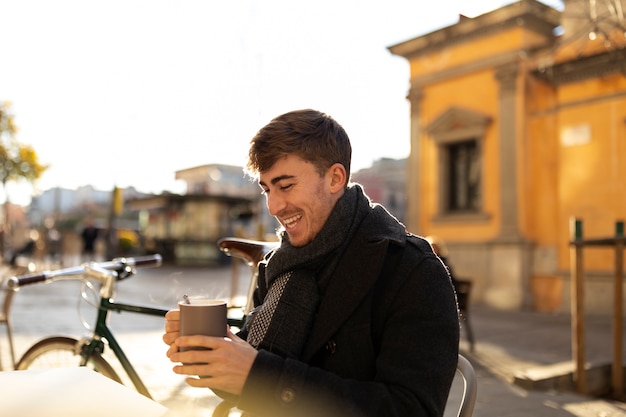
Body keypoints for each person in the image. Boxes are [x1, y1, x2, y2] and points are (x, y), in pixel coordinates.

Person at [162, 109, 460, 417]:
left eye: (286, 185)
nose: (274, 206)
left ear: (334, 178)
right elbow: (250, 388)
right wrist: (218, 356)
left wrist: (260, 375)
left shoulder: (411, 270)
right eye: (267, 189)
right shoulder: (277, 266)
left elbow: (413, 410)